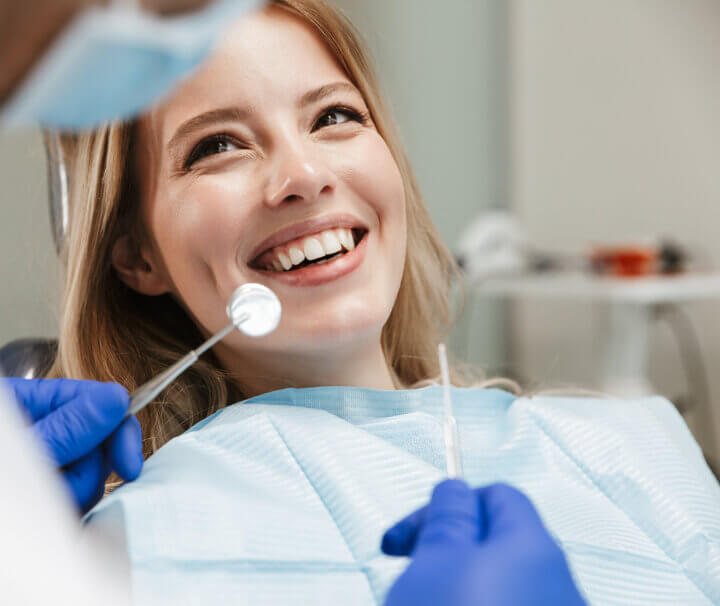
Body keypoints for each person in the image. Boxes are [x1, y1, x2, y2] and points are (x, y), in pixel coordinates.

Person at [36, 1, 719, 604]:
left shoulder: (637, 449)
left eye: (334, 116)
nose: (304, 176)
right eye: (218, 146)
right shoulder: (117, 546)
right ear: (137, 258)